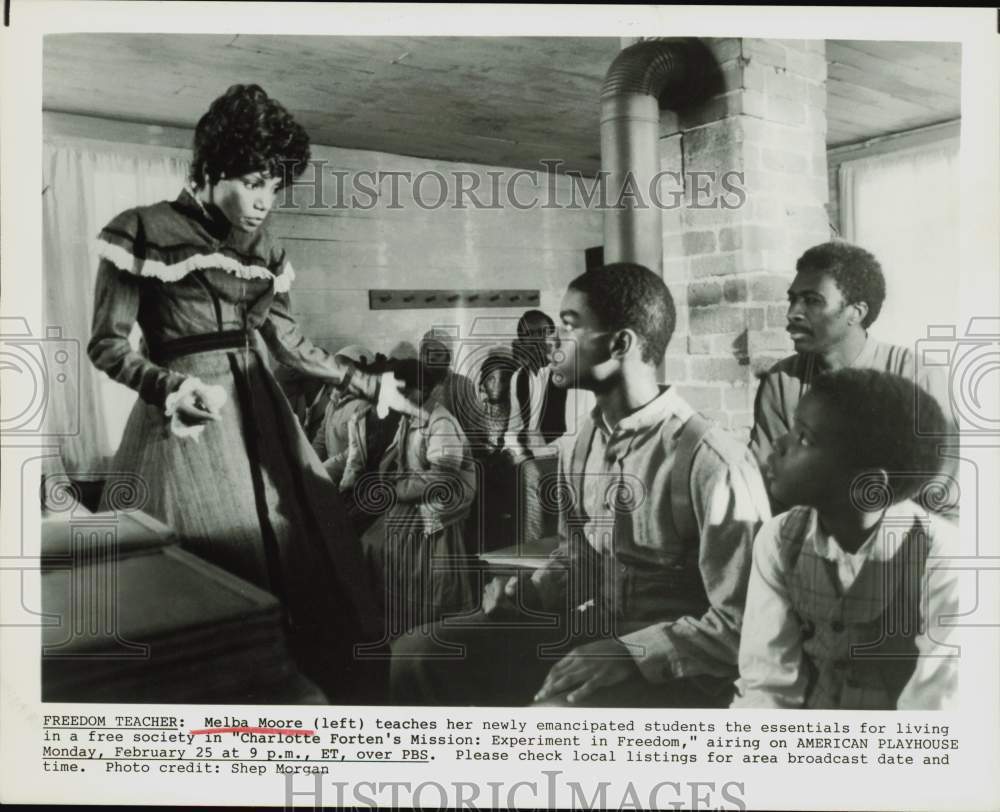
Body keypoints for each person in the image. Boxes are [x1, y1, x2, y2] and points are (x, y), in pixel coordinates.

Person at [87, 84, 417, 703]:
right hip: (188, 424)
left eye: (275, 184)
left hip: (262, 413)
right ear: (210, 169)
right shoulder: (141, 229)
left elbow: (289, 342)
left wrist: (370, 384)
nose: (265, 201)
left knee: (303, 547)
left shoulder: (264, 251)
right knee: (209, 571)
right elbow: (107, 345)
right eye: (253, 180)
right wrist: (168, 388)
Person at [390, 263, 771, 707]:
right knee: (417, 654)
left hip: (675, 671)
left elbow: (747, 624)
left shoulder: (712, 463)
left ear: (620, 344)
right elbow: (578, 560)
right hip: (594, 634)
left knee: (551, 715)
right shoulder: (580, 444)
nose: (552, 343)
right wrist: (529, 592)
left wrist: (631, 654)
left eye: (568, 327)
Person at [733, 369, 958, 710]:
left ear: (869, 487)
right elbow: (767, 685)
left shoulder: (942, 555)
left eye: (804, 438)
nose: (779, 444)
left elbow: (936, 707)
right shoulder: (779, 539)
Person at [750, 241, 958, 517]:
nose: (793, 313)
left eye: (813, 301)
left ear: (856, 312)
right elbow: (767, 488)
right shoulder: (783, 381)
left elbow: (942, 502)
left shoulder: (917, 377)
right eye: (793, 299)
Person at [360, 358, 478, 639]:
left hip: (441, 500)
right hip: (416, 493)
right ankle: (395, 621)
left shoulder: (441, 421)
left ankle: (424, 628)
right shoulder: (410, 416)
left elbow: (442, 478)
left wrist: (396, 490)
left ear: (420, 389)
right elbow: (398, 458)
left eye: (402, 391)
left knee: (405, 556)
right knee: (372, 546)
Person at [311, 344, 375, 463]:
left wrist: (325, 471)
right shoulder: (333, 401)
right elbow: (321, 438)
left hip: (350, 476)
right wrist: (310, 465)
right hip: (331, 472)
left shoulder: (364, 406)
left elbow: (356, 453)